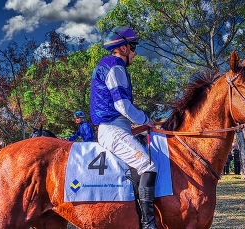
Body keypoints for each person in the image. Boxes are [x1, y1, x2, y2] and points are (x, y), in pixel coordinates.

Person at [90, 25, 157, 228]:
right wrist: (146, 120)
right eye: (134, 47)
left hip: (115, 127)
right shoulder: (116, 65)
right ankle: (148, 224)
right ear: (124, 48)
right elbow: (122, 105)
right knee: (147, 165)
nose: (135, 53)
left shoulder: (108, 64)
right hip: (113, 128)